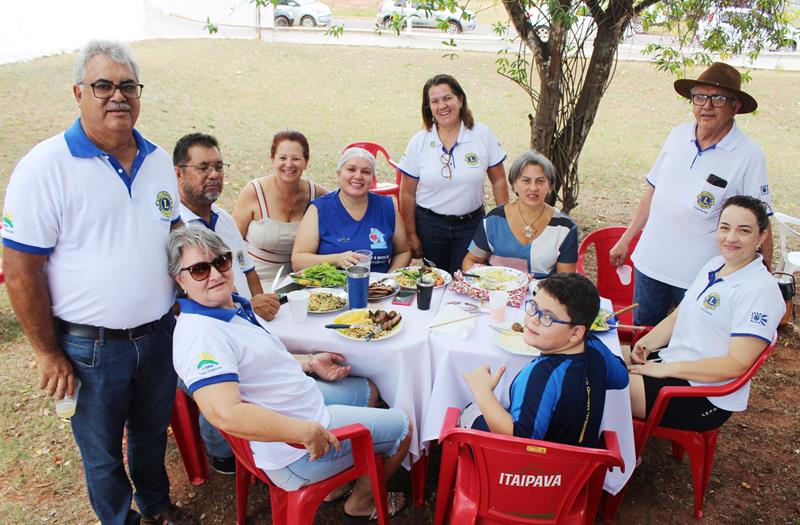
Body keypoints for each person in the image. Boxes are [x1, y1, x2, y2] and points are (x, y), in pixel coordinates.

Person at [1, 41, 195, 525]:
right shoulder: (44, 167)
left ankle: (157, 507)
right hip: (90, 349)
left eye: (128, 85)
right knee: (102, 451)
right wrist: (47, 352)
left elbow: (172, 234)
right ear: (78, 92)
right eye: (103, 85)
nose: (118, 96)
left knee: (151, 436)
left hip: (158, 335)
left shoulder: (155, 160)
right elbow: (21, 271)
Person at [168, 226, 410, 521]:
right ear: (180, 279)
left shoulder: (226, 308)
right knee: (404, 427)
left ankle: (337, 484)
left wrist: (309, 362)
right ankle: (359, 503)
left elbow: (260, 363)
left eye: (221, 262)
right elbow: (225, 414)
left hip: (300, 404)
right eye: (199, 270)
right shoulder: (202, 337)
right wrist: (302, 431)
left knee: (368, 389)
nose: (216, 274)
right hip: (291, 451)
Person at [609, 62, 773, 327]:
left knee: (691, 342)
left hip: (700, 275)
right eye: (699, 97)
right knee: (644, 335)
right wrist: (627, 238)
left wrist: (764, 274)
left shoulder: (748, 154)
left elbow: (761, 219)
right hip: (650, 262)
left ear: (736, 107)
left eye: (718, 99)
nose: (706, 106)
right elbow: (652, 192)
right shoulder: (677, 136)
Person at [627, 196, 783, 431]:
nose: (731, 238)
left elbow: (736, 364)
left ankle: (609, 457)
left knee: (600, 385)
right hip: (672, 364)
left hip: (703, 396)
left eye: (744, 230)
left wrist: (666, 369)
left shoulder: (760, 290)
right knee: (599, 356)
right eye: (724, 227)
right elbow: (678, 315)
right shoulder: (715, 265)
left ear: (761, 236)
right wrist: (645, 345)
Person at [173, 132, 280, 474]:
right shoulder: (172, 228)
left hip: (243, 321)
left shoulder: (224, 218)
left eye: (218, 166)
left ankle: (276, 436)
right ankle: (224, 451)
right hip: (209, 334)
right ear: (179, 174)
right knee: (232, 378)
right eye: (202, 167)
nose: (214, 174)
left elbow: (246, 268)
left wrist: (258, 299)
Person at [462, 273, 629, 448]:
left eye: (548, 317)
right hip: (583, 464)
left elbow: (521, 440)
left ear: (576, 333)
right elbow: (621, 378)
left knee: (471, 410)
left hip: (538, 469)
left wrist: (483, 392)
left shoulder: (541, 375)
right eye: (534, 307)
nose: (533, 320)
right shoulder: (596, 347)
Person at [398, 73, 509, 274]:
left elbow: (499, 180)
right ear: (428, 107)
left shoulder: (482, 135)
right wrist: (411, 234)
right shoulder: (420, 141)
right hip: (430, 226)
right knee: (436, 280)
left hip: (470, 225)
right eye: (435, 101)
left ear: (460, 99)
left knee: (467, 279)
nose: (443, 106)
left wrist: (502, 222)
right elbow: (406, 192)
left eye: (447, 98)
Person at [232, 130, 327, 288]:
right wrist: (241, 278)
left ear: (306, 161)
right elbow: (232, 242)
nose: (288, 164)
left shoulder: (318, 196)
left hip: (299, 283)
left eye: (296, 158)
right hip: (252, 279)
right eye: (282, 158)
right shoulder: (254, 191)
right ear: (272, 160)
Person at [293, 147, 412, 273]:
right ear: (338, 174)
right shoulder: (319, 209)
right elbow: (298, 261)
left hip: (379, 289)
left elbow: (403, 252)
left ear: (372, 179)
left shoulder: (386, 207)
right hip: (330, 289)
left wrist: (387, 281)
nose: (358, 176)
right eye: (351, 169)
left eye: (366, 172)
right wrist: (336, 259)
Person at [462, 150, 578, 277]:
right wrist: (486, 284)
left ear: (550, 186)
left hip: (543, 294)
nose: (533, 188)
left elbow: (566, 280)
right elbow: (470, 261)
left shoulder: (565, 227)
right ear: (514, 184)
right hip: (496, 292)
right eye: (526, 181)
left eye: (540, 181)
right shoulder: (494, 220)